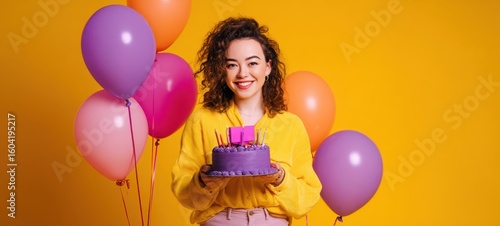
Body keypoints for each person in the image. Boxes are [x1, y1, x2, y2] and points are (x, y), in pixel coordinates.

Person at [171, 17, 322, 226]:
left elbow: (307, 198)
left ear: (268, 67)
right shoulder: (202, 121)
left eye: (252, 63)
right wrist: (203, 181)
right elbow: (182, 190)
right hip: (220, 220)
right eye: (232, 65)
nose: (243, 73)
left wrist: (279, 179)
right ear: (221, 70)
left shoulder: (291, 126)